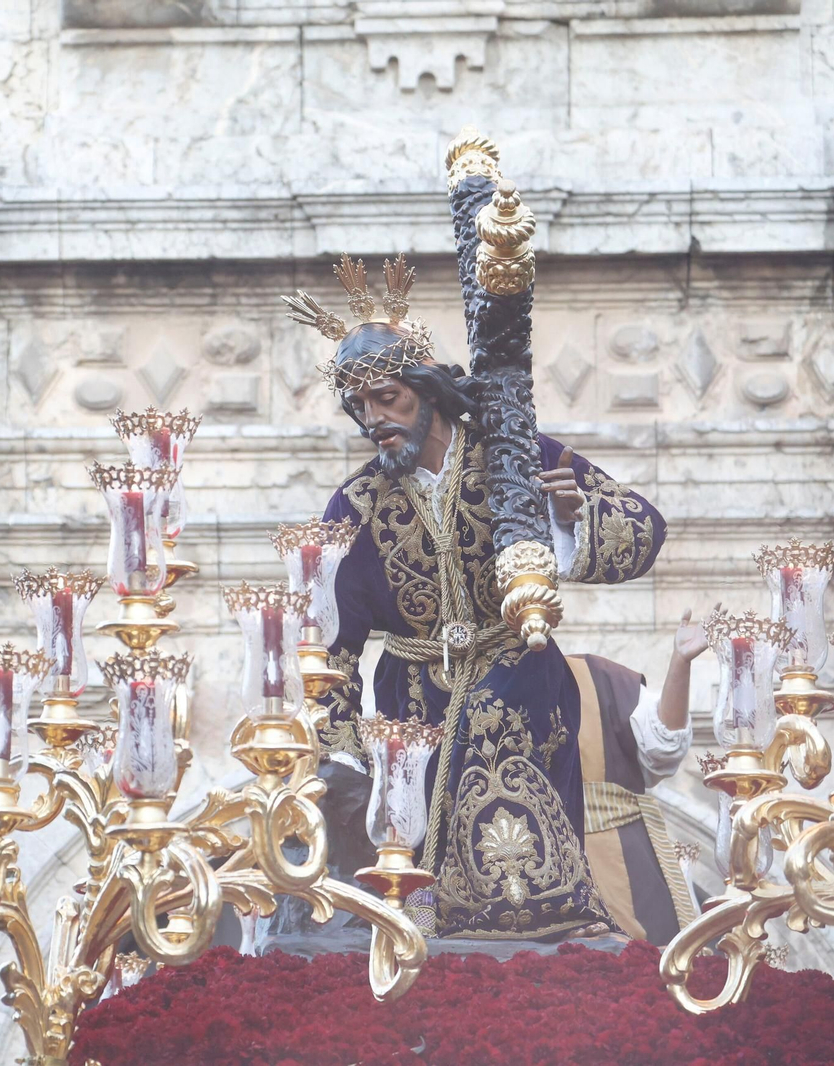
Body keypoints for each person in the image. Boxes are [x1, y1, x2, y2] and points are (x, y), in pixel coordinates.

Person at [284, 254, 668, 940]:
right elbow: (328, 646)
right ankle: (426, 948)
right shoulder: (357, 504)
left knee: (508, 812)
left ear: (426, 389)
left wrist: (572, 521)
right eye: (361, 406)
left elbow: (644, 528)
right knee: (411, 859)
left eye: (387, 398)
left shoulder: (515, 453)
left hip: (519, 674)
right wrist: (341, 751)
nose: (375, 418)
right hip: (412, 700)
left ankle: (540, 944)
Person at [568, 609, 706, 945]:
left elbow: (662, 746)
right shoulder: (461, 683)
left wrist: (680, 663)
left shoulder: (594, 679)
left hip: (615, 872)